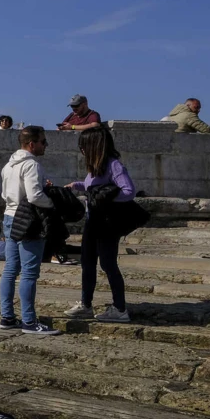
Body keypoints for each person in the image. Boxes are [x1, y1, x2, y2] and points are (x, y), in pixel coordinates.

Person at [64, 128, 135, 323]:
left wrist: (105, 199)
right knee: (87, 263)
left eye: (84, 146)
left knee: (108, 264)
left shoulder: (114, 166)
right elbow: (93, 188)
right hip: (92, 221)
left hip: (106, 223)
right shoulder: (96, 167)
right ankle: (86, 304)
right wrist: (77, 185)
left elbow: (128, 191)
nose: (82, 150)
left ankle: (120, 308)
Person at [0, 126, 61, 335]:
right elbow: (34, 196)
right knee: (29, 273)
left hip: (9, 216)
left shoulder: (8, 165)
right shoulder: (31, 165)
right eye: (44, 141)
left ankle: (7, 316)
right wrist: (51, 202)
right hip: (27, 219)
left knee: (10, 270)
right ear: (32, 144)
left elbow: (4, 194)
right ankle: (29, 321)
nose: (46, 145)